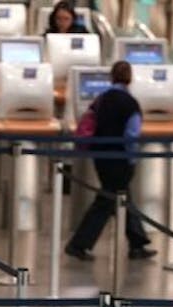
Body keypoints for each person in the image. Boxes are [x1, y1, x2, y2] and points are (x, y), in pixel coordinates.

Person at [64, 61, 157, 263]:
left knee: (122, 197)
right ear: (130, 79)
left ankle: (137, 243)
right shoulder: (131, 103)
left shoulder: (101, 99)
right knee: (106, 201)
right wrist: (132, 160)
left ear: (111, 77)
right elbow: (131, 135)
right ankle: (78, 244)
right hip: (120, 159)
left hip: (101, 156)